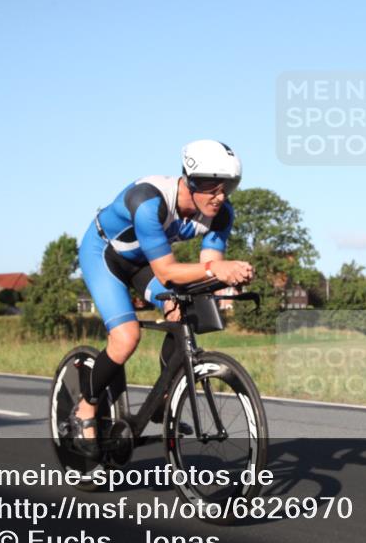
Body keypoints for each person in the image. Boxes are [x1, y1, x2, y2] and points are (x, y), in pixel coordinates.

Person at [71, 140, 255, 458]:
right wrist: (217, 269)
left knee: (181, 307)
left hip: (144, 262)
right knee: (127, 337)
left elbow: (207, 271)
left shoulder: (222, 214)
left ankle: (164, 399)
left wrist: (227, 279)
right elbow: (169, 272)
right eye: (214, 187)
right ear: (192, 180)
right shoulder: (149, 200)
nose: (221, 196)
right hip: (104, 254)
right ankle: (85, 409)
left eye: (228, 187)